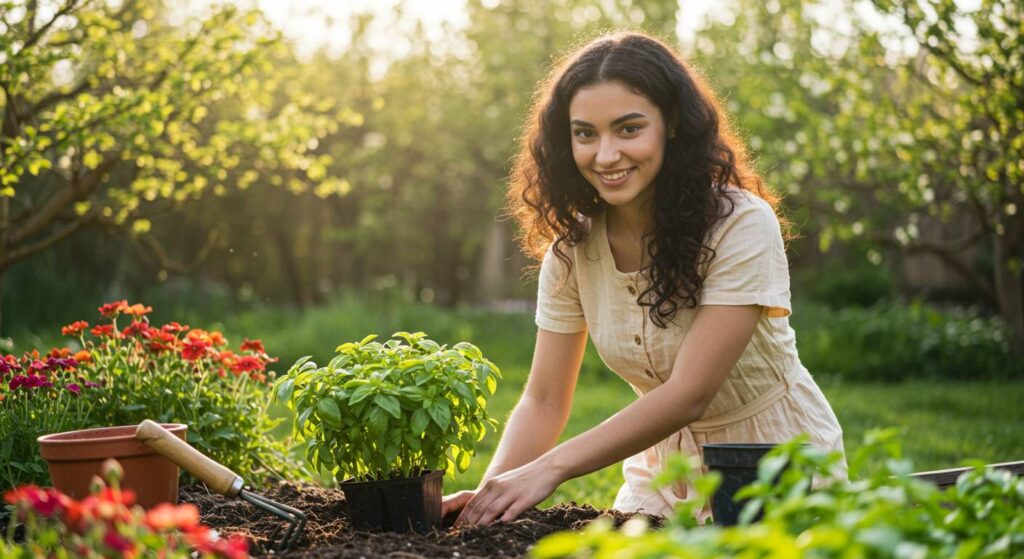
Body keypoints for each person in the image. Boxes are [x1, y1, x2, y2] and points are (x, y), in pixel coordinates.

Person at [443, 31, 847, 527]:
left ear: (672, 124)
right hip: (661, 472)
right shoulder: (571, 251)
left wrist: (551, 469)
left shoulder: (741, 224)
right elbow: (545, 399)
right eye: (585, 134)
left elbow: (690, 392)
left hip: (772, 461)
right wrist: (493, 493)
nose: (606, 154)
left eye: (628, 129)